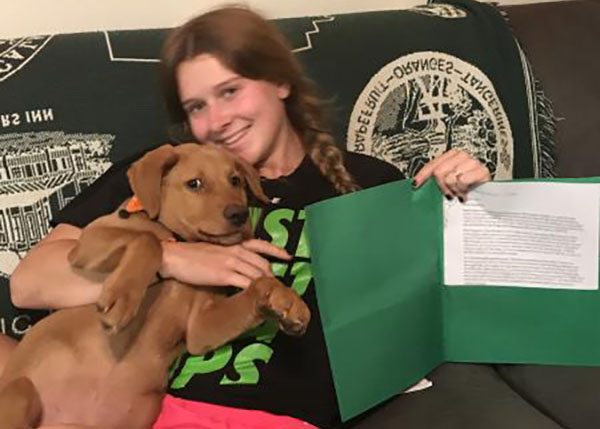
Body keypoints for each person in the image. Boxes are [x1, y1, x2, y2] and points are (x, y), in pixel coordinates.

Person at [9, 5, 581, 429]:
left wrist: (471, 198)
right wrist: (176, 256)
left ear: (279, 81)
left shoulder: (369, 182)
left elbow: (465, 302)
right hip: (151, 399)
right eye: (196, 107)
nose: (218, 120)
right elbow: (33, 282)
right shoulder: (164, 174)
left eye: (231, 91)